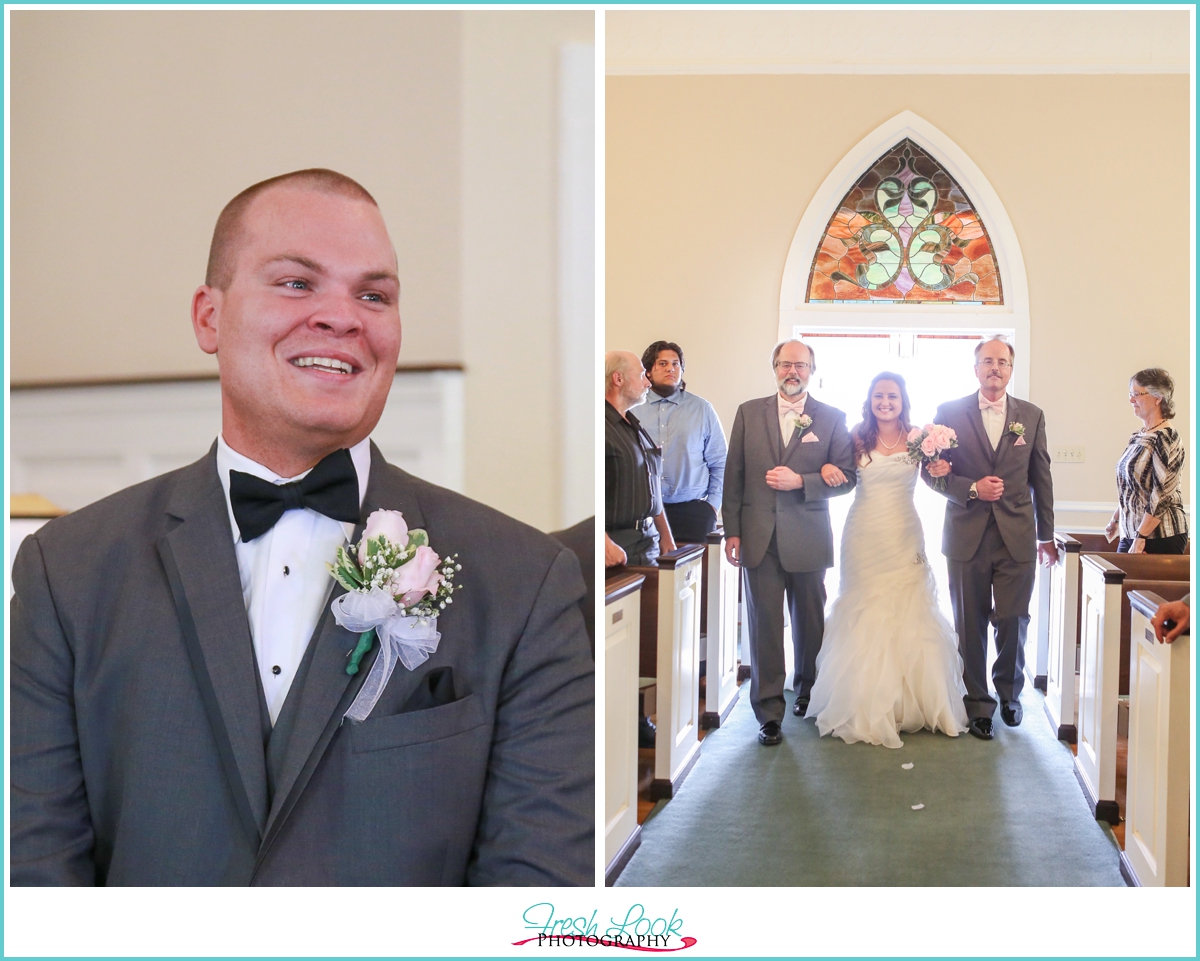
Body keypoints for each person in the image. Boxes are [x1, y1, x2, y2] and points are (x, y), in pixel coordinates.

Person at [10, 169, 594, 886]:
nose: (343, 316)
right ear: (208, 317)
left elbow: (532, 900)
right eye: (296, 283)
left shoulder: (526, 582)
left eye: (373, 295)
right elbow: (33, 873)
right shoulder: (65, 573)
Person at [806, 373, 968, 748]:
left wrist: (942, 472)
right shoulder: (854, 437)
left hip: (903, 532)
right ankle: (863, 700)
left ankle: (914, 702)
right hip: (863, 533)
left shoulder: (918, 438)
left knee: (910, 610)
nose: (885, 402)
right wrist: (825, 471)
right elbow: (841, 475)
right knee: (865, 608)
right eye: (879, 396)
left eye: (892, 396)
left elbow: (934, 481)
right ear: (870, 400)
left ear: (902, 400)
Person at [723, 339, 856, 746]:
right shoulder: (748, 412)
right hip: (758, 537)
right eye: (785, 364)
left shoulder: (832, 418)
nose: (791, 371)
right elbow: (734, 476)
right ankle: (768, 712)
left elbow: (848, 477)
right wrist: (732, 531)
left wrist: (803, 481)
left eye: (800, 365)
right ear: (774, 368)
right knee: (763, 626)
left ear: (812, 370)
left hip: (808, 535)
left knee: (809, 623)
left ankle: (808, 692)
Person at [926, 336, 1056, 741]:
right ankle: (978, 704)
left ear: (1011, 369)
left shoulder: (1030, 416)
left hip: (1017, 534)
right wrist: (970, 488)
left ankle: (1010, 694)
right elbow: (933, 474)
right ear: (975, 368)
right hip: (967, 534)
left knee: (1014, 619)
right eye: (987, 361)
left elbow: (1042, 477)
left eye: (1002, 361)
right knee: (970, 622)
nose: (994, 368)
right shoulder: (949, 413)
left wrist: (1047, 535)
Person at [630, 340, 727, 543]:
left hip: (693, 514)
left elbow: (720, 462)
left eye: (675, 364)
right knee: (645, 574)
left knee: (693, 574)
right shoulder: (631, 409)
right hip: (643, 514)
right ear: (648, 371)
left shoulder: (702, 409)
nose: (670, 369)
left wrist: (712, 506)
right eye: (663, 364)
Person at [1104, 367, 1188, 554]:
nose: (1131, 399)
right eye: (1130, 394)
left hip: (1160, 536)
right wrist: (1116, 519)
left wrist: (1141, 536)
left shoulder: (1166, 437)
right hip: (1132, 532)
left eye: (1137, 394)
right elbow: (1131, 488)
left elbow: (1162, 495)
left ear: (1158, 398)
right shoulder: (1138, 436)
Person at [605, 350, 676, 566]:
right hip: (618, 546)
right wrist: (603, 543)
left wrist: (665, 535)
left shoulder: (634, 425)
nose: (647, 383)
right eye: (641, 375)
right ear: (618, 379)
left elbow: (649, 485)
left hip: (649, 541)